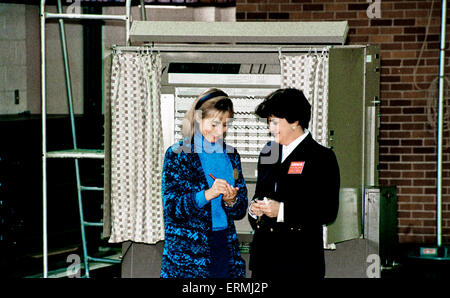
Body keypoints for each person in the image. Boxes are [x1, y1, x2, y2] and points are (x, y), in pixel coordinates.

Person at [248, 88, 340, 279]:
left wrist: (281, 210)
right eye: (269, 122)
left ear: (295, 121)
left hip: (299, 263)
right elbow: (260, 194)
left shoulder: (322, 157)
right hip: (264, 261)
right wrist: (254, 209)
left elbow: (328, 211)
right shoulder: (268, 153)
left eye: (275, 122)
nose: (270, 129)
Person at [160, 88, 248, 278]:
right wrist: (207, 194)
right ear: (198, 118)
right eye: (214, 124)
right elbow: (173, 208)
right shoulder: (178, 154)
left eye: (224, 125)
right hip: (187, 256)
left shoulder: (232, 155)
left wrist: (232, 201)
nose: (219, 131)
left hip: (225, 246)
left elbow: (240, 210)